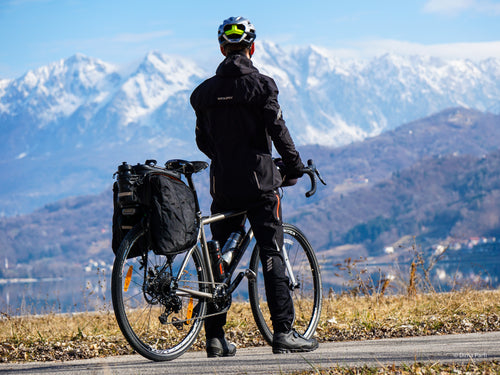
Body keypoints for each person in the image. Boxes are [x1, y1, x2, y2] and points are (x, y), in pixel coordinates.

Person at [190, 16, 318, 357]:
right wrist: (294, 166)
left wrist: (227, 158)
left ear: (221, 48)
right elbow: (278, 130)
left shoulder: (202, 93)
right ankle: (284, 333)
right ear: (252, 48)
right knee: (272, 252)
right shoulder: (262, 85)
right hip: (260, 183)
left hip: (223, 184)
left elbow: (204, 142)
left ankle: (215, 338)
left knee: (221, 259)